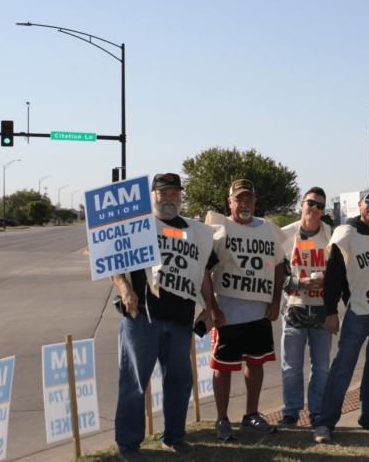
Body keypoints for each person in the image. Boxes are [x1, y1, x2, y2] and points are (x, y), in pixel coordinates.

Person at [112, 173, 223, 462]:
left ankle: (174, 437)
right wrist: (124, 288)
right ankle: (128, 445)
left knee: (180, 382)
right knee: (135, 384)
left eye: (174, 193)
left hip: (180, 322)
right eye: (163, 193)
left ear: (180, 196)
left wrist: (210, 308)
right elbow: (113, 261)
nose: (169, 198)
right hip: (142, 320)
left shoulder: (197, 231)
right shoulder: (138, 227)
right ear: (153, 196)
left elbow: (205, 274)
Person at [313, 187, 369, 443]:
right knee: (342, 369)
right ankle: (325, 423)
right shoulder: (345, 234)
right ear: (360, 205)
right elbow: (333, 278)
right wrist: (331, 312)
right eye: (368, 201)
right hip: (359, 313)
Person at [205, 179, 288, 440]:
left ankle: (251, 415)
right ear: (229, 202)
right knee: (224, 367)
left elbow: (277, 266)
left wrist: (276, 302)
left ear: (254, 202)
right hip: (227, 313)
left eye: (248, 199)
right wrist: (213, 308)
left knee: (256, 363)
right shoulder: (219, 228)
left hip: (259, 313)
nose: (244, 204)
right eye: (238, 199)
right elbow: (205, 271)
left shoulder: (268, 228)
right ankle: (222, 419)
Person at [278, 187, 333, 427]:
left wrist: (334, 311)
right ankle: (291, 412)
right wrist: (301, 282)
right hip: (293, 312)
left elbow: (339, 276)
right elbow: (275, 277)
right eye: (311, 203)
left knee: (321, 368)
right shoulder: (285, 235)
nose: (314, 208)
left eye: (320, 206)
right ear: (302, 204)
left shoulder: (332, 235)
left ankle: (317, 411)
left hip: (322, 312)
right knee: (291, 367)